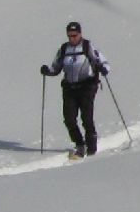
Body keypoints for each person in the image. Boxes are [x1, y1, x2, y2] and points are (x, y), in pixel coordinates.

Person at [41, 20, 109, 158]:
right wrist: (47, 71)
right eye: (70, 35)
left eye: (75, 35)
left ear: (80, 33)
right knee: (69, 118)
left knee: (86, 117)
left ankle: (91, 147)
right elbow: (56, 68)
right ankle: (79, 144)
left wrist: (103, 68)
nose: (72, 38)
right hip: (69, 88)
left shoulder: (87, 46)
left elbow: (102, 61)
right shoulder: (64, 49)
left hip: (87, 86)